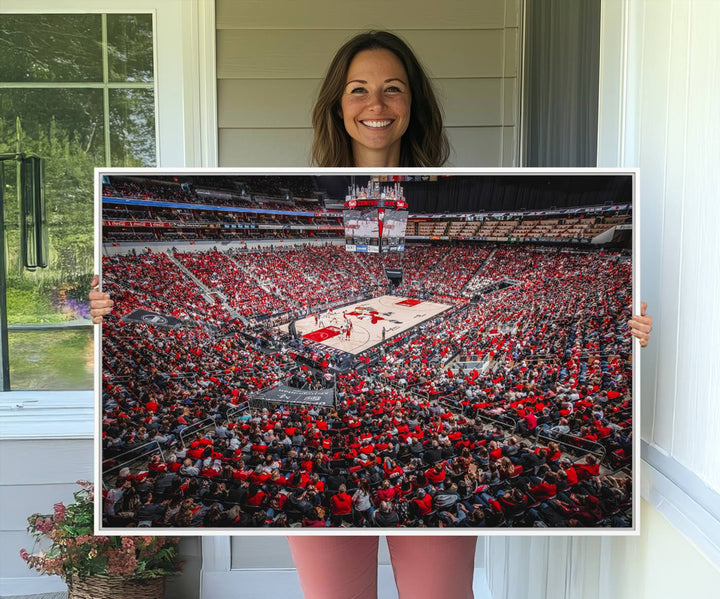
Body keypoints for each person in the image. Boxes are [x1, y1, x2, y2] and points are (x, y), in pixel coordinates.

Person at [89, 29, 653, 599]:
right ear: (337, 104)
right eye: (358, 89)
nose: (375, 105)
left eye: (393, 89)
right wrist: (100, 312)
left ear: (414, 104)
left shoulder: (460, 179)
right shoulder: (310, 187)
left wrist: (631, 334)